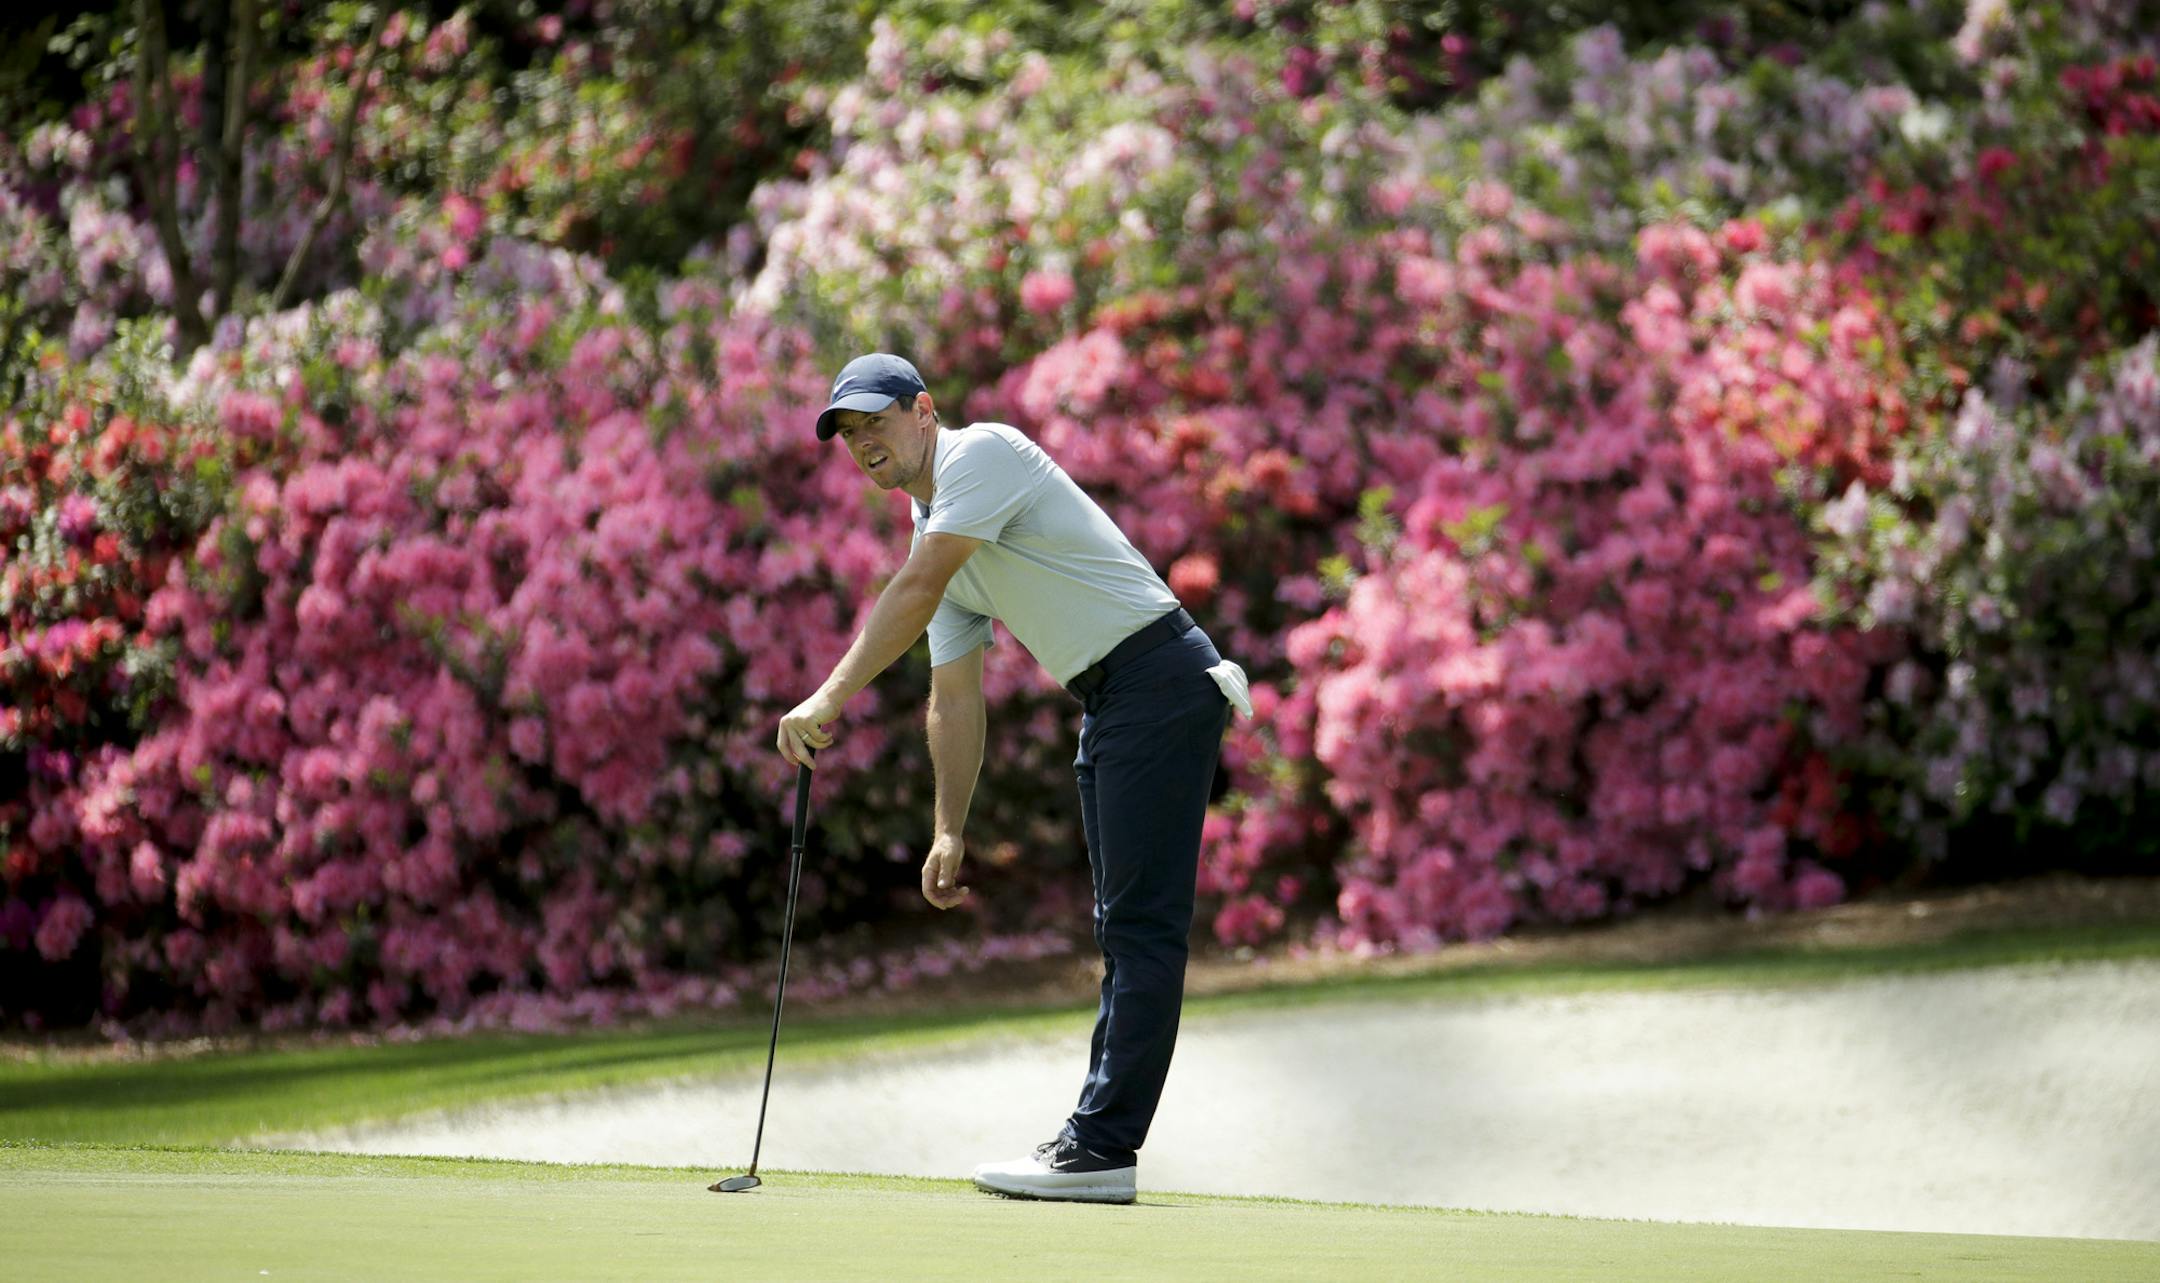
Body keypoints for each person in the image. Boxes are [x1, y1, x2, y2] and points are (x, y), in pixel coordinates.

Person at [776, 352, 1253, 1205]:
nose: (863, 444)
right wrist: (950, 827)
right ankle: (1096, 1141)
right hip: (1114, 698)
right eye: (849, 435)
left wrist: (827, 695)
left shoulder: (981, 455)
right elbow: (953, 695)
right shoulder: (941, 534)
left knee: (1140, 930)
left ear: (923, 409)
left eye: (874, 422)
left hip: (1161, 681)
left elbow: (917, 587)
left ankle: (1101, 1147)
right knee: (1124, 929)